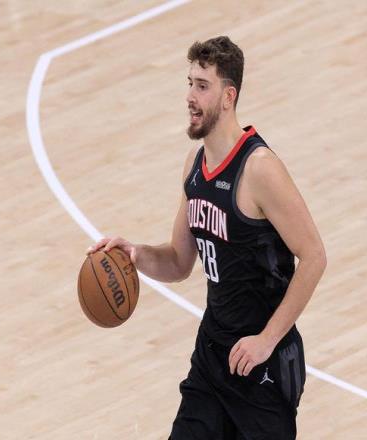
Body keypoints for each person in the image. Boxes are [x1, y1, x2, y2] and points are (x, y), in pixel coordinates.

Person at [87, 36, 327, 440]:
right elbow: (179, 262)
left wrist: (265, 341)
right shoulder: (195, 165)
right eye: (189, 84)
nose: (190, 97)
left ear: (228, 96)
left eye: (202, 86)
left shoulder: (259, 169)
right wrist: (135, 254)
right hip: (212, 355)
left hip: (261, 366)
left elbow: (315, 256)